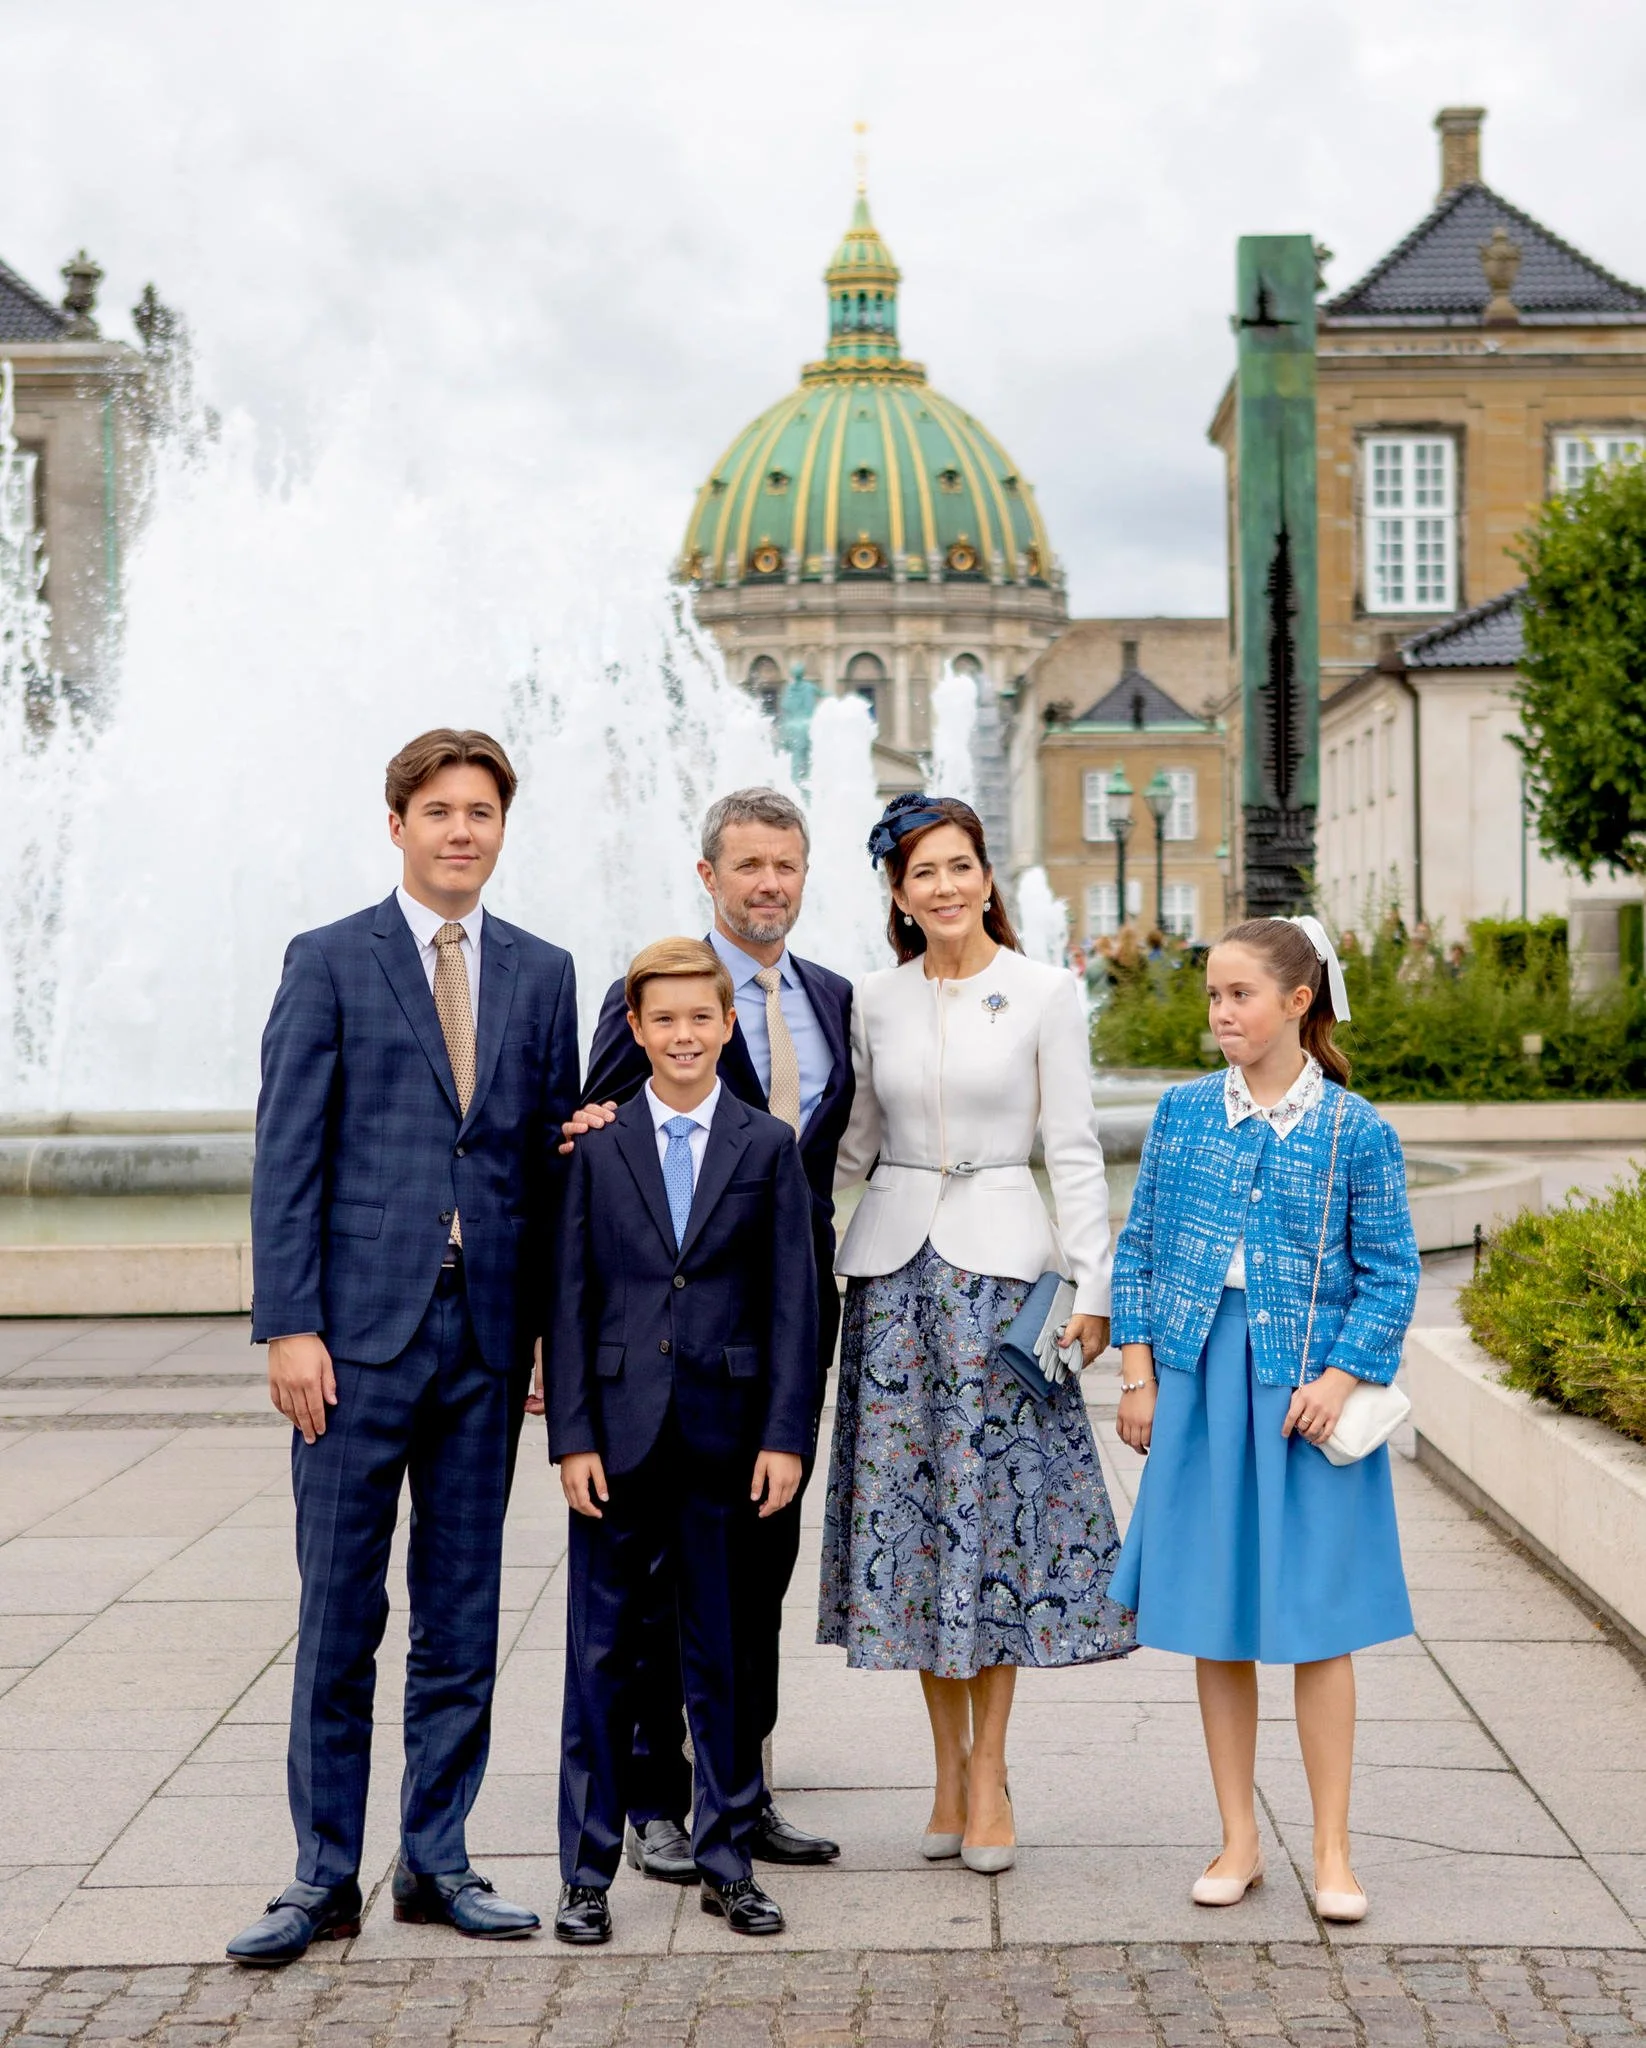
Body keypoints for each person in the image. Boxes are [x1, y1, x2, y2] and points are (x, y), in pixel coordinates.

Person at [227, 729, 579, 1966]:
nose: (462, 831)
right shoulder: (329, 960)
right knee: (338, 1613)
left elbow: (545, 1171)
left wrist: (549, 1337)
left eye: (481, 811)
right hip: (354, 1345)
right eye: (439, 810)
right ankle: (324, 1873)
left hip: (485, 1338)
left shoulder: (542, 973)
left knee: (462, 1610)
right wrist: (288, 1324)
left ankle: (437, 1857)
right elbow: (287, 1157)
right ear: (398, 824)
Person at [819, 793, 1136, 1874]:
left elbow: (1074, 1144)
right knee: (912, 1532)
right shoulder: (873, 998)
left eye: (960, 865)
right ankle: (943, 1764)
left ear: (987, 876)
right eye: (921, 873)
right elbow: (851, 1139)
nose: (943, 886)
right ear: (898, 894)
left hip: (1006, 1286)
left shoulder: (1045, 991)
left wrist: (1093, 1283)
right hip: (895, 1282)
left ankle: (989, 1768)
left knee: (992, 1529)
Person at [1110, 915, 1420, 1925]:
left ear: (1297, 1001)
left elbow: (1390, 1271)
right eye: (1210, 994)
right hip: (1200, 1383)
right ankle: (1237, 1835)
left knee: (1319, 1624)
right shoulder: (1182, 1113)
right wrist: (1139, 1370)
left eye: (1237, 993)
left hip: (1301, 1398)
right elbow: (1140, 1245)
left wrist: (1341, 1373)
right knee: (1216, 1619)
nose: (1218, 1012)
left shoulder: (1353, 1128)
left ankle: (1331, 1848)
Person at [566, 789, 851, 1880]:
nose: (767, 882)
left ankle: (745, 1783)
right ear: (708, 874)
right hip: (664, 1351)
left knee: (755, 1566)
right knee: (650, 1589)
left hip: (779, 1325)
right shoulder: (655, 994)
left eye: (785, 864)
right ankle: (653, 1797)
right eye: (747, 865)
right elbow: (596, 1139)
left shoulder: (827, 998)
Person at [547, 938, 818, 1944]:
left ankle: (727, 1858)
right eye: (662, 1019)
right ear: (635, 1030)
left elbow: (793, 1302)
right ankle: (584, 1872)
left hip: (724, 1432)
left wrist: (783, 1434)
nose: (683, 1035)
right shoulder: (600, 1144)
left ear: (727, 1023)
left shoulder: (763, 1145)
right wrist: (571, 1434)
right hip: (614, 1438)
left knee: (720, 1656)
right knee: (600, 1654)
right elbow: (569, 1299)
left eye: (699, 1017)